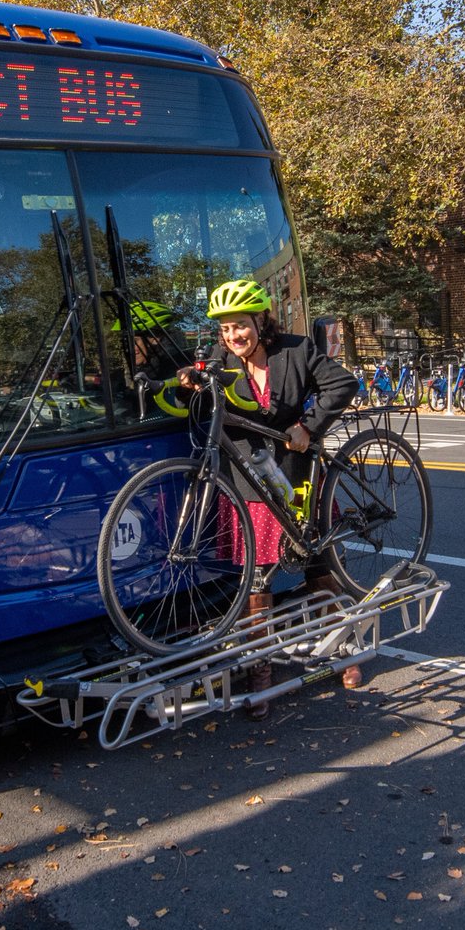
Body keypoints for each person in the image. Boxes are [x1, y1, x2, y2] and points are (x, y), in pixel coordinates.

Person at [178, 279, 359, 717]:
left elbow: (342, 384)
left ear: (260, 321)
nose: (232, 337)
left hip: (297, 473)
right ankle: (260, 668)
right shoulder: (222, 360)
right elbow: (203, 391)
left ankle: (344, 646)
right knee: (257, 580)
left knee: (318, 564)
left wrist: (309, 426)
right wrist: (190, 382)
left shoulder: (295, 351)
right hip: (250, 479)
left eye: (239, 327)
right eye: (224, 330)